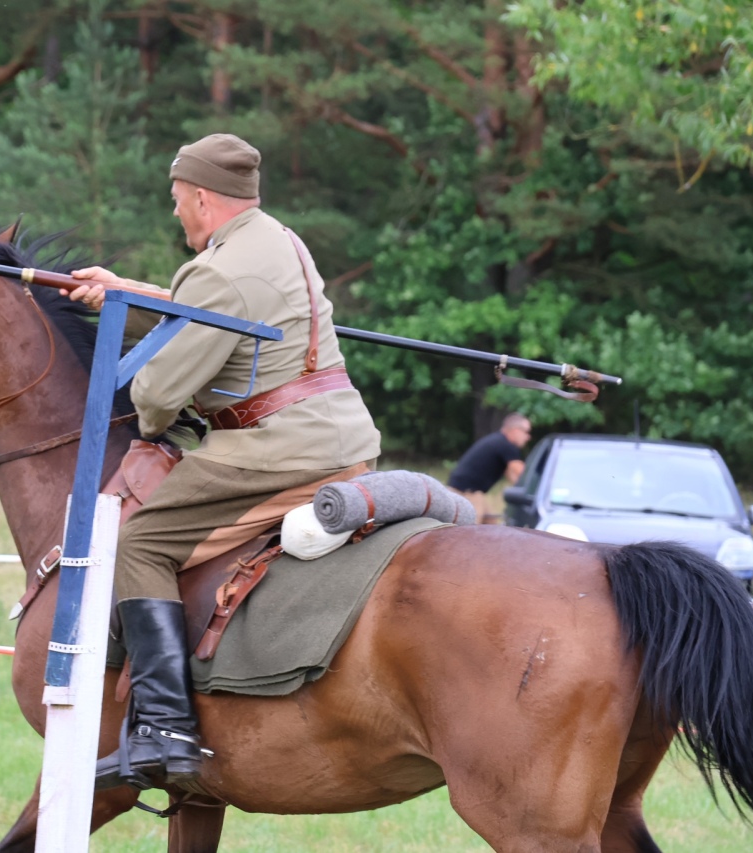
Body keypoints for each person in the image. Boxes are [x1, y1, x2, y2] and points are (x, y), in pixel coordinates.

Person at [62, 133, 382, 791]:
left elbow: (153, 397)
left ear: (203, 197)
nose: (175, 211)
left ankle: (167, 732)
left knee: (143, 544)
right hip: (345, 436)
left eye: (177, 199)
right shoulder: (278, 239)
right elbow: (215, 308)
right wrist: (125, 291)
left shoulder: (218, 272)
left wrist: (150, 415)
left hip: (277, 452)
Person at [446, 413, 532, 523]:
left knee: (492, 527)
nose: (528, 437)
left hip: (467, 491)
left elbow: (512, 475)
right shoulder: (506, 445)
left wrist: (519, 492)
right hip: (467, 494)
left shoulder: (499, 441)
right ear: (515, 430)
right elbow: (522, 473)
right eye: (526, 432)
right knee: (471, 533)